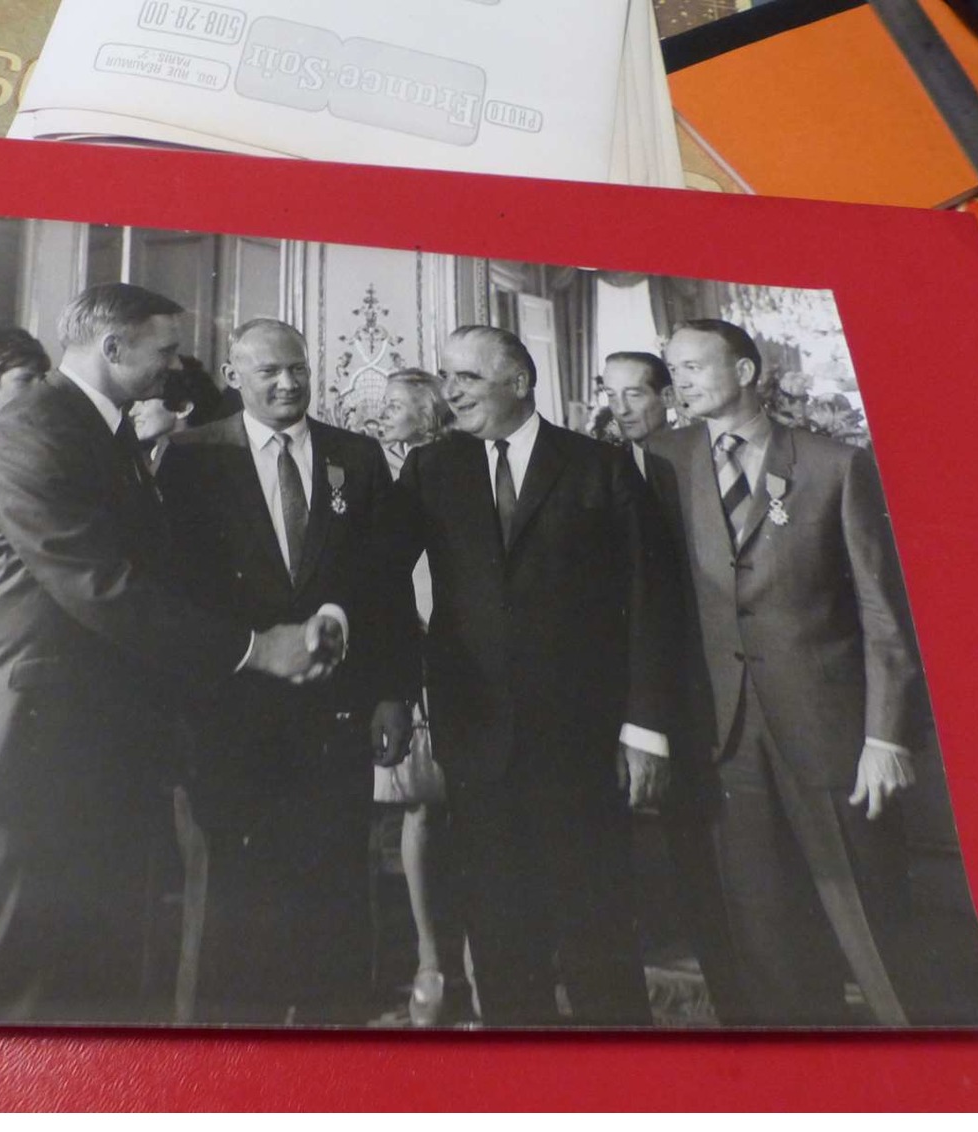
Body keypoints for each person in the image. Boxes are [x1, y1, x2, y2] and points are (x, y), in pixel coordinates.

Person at [0, 286, 343, 1022]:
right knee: (5, 989)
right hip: (31, 746)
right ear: (112, 349)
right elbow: (103, 587)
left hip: (87, 747)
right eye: (163, 350)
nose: (175, 365)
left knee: (79, 985)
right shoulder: (34, 430)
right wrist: (255, 649)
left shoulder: (96, 430)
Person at [388, 325, 679, 1026]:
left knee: (597, 932)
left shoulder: (598, 466)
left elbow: (647, 596)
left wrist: (644, 728)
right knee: (499, 932)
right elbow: (379, 581)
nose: (449, 392)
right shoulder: (430, 469)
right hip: (476, 737)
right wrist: (397, 687)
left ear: (518, 383)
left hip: (582, 738)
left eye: (466, 378)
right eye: (445, 376)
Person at [646, 318, 929, 1025]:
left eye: (693, 366)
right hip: (723, 737)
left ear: (745, 371)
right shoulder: (660, 461)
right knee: (761, 929)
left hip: (830, 733)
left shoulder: (834, 464)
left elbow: (882, 614)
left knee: (873, 926)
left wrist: (884, 737)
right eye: (671, 368)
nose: (678, 380)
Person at [158, 318, 420, 1024]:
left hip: (336, 713)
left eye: (297, 368)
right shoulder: (187, 457)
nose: (286, 383)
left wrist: (392, 694)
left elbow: (387, 585)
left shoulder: (355, 457)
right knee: (232, 892)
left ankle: (332, 1044)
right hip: (231, 712)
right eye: (269, 371)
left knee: (335, 882)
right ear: (235, 373)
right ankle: (224, 1052)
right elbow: (177, 593)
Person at [374, 367, 455, 1025]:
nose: (384, 413)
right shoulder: (368, 470)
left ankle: (484, 960)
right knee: (421, 809)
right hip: (411, 653)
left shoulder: (447, 465)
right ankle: (430, 961)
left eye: (398, 404)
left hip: (461, 652)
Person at [597, 351, 674, 475]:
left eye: (634, 395)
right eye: (611, 395)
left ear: (668, 397)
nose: (622, 410)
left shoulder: (702, 456)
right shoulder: (606, 468)